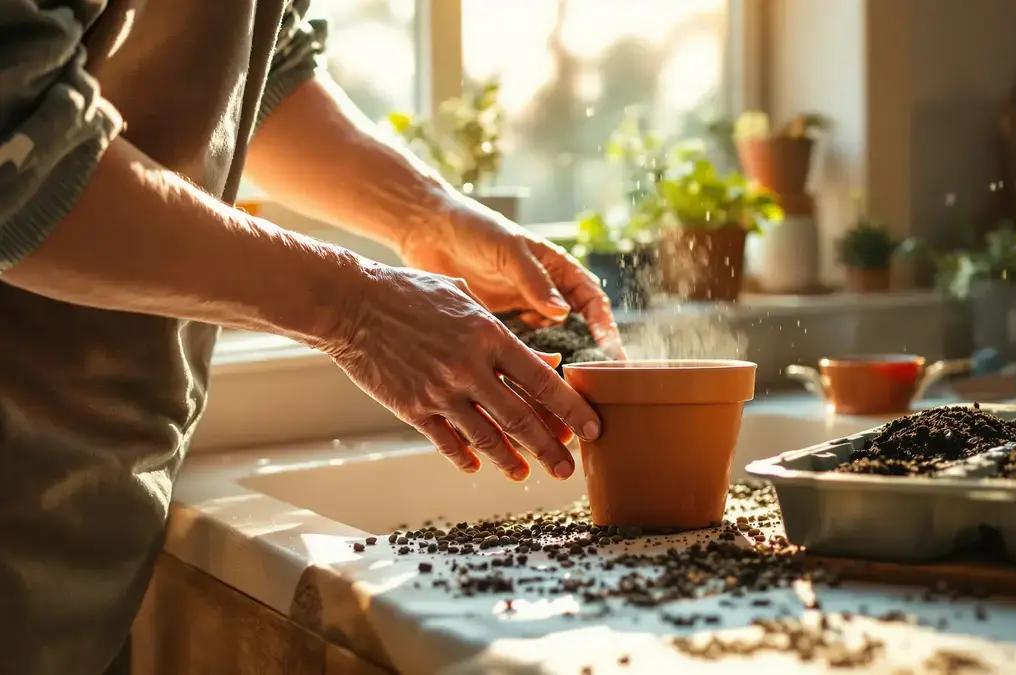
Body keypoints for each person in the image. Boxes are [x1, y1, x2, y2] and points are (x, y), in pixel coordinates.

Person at [0, 1, 623, 673]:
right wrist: (358, 309)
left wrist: (426, 215)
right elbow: (20, 152)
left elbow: (255, 69)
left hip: (82, 514)